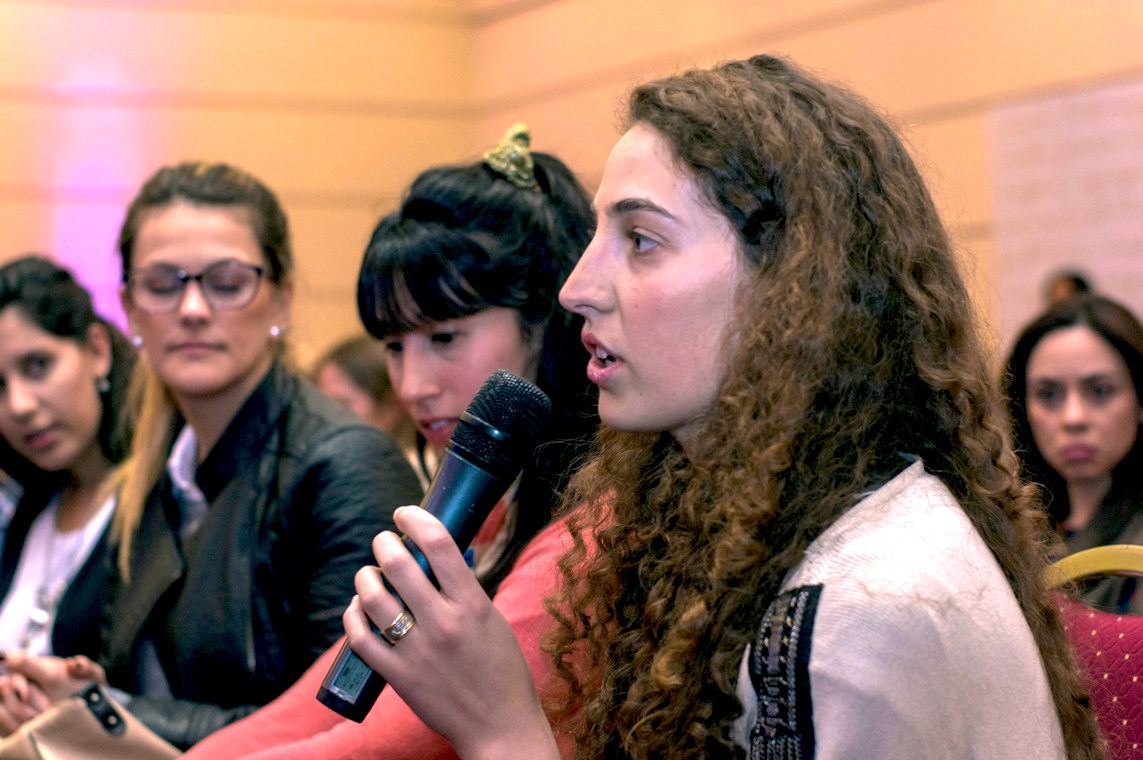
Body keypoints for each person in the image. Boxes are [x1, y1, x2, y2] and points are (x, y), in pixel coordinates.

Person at [339, 56, 1103, 759]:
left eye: (640, 240)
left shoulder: (863, 608)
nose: (576, 288)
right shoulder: (748, 525)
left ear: (789, 286)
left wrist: (502, 731)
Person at [183, 124, 598, 758]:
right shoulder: (482, 517)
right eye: (394, 347)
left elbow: (375, 747)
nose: (410, 386)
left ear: (546, 322)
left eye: (444, 338)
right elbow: (305, 712)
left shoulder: (586, 534)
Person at [0, 162, 424, 748]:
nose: (193, 309)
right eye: (162, 285)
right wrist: (80, 698)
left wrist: (106, 711)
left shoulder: (344, 465)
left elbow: (346, 723)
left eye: (226, 283)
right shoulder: (155, 474)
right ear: (130, 308)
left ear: (282, 301)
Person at [0, 255, 135, 658]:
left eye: (37, 366)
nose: (20, 405)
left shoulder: (164, 502)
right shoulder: (29, 506)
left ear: (96, 351)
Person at [1004, 294, 1143, 613]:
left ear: (1139, 400)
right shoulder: (1011, 533)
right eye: (1048, 394)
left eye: (1100, 391)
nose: (1073, 417)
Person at [312, 335, 428, 488]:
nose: (325, 418)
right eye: (321, 405)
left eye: (341, 406)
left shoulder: (424, 482)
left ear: (391, 407)